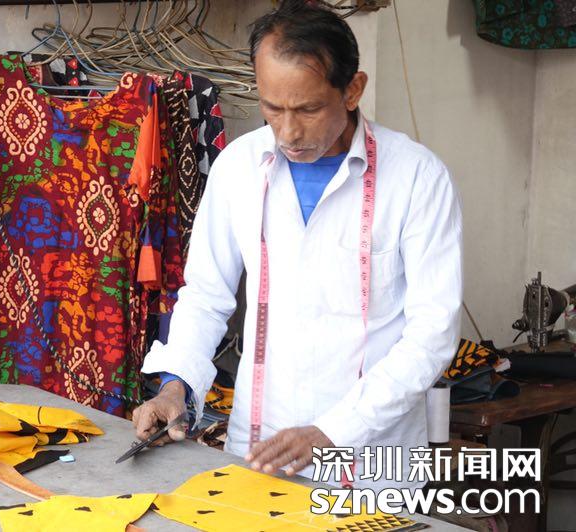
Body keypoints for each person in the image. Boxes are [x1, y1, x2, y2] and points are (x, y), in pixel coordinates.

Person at [133, 0, 463, 491]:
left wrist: (334, 430)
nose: (288, 132)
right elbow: (205, 296)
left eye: (308, 109)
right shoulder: (239, 167)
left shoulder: (417, 178)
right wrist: (175, 387)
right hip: (258, 446)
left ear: (352, 90)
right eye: (272, 108)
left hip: (373, 459)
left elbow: (431, 335)